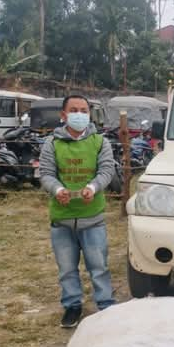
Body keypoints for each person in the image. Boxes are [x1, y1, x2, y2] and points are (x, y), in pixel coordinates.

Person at [39, 95, 116, 328]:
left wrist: (93, 187)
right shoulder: (52, 143)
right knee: (66, 268)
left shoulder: (100, 142)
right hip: (62, 220)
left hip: (92, 218)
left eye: (84, 110)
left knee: (99, 266)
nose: (80, 114)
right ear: (63, 115)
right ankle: (72, 305)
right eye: (74, 110)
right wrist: (58, 189)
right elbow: (46, 173)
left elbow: (106, 170)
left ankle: (105, 305)